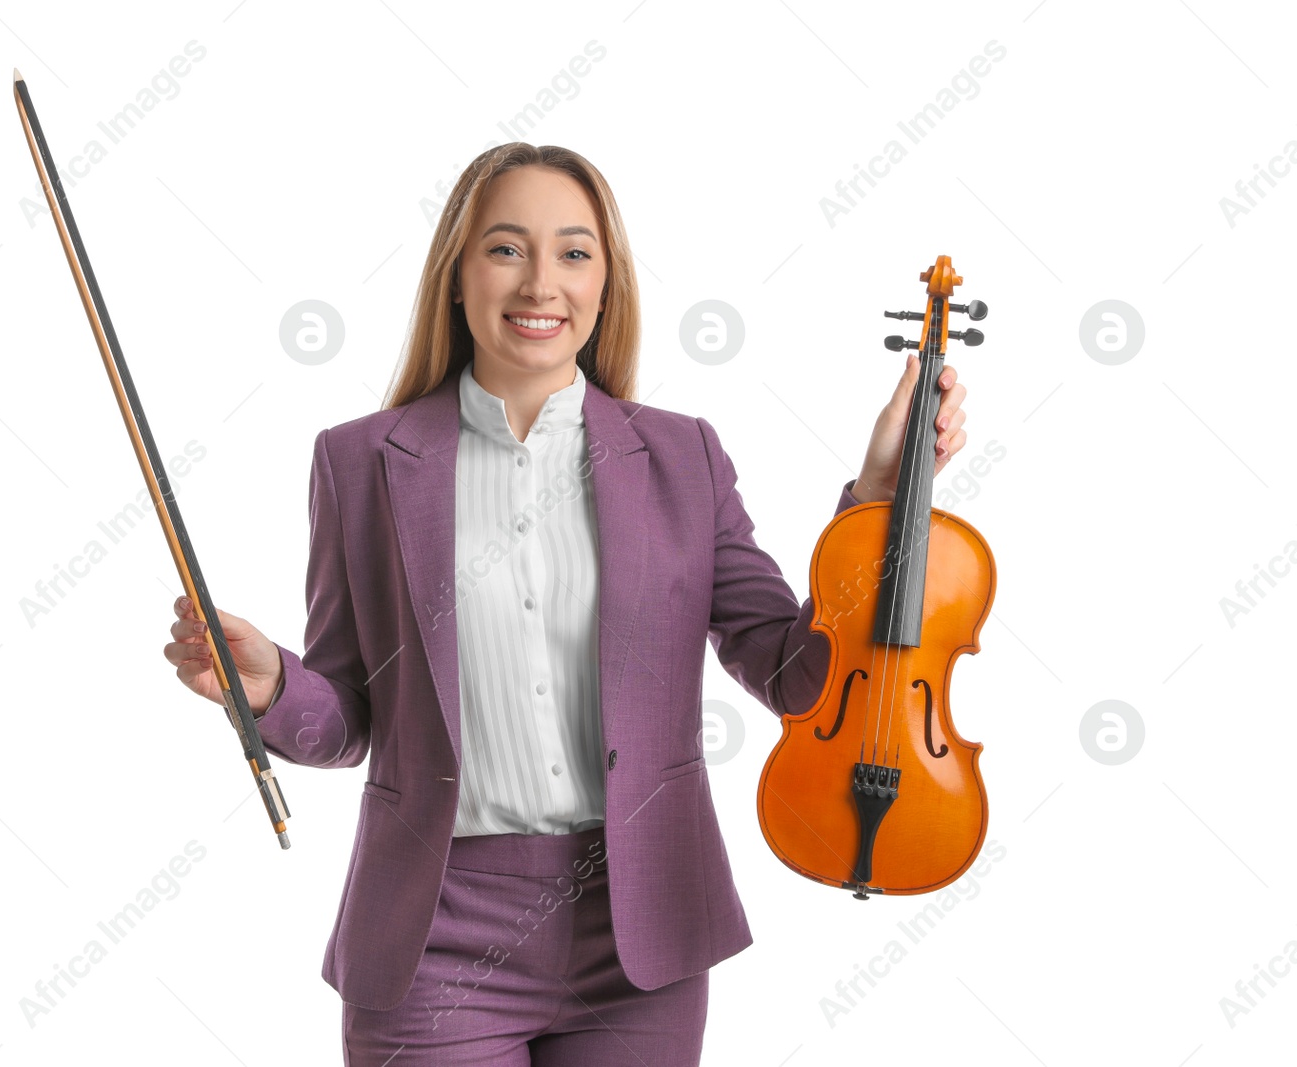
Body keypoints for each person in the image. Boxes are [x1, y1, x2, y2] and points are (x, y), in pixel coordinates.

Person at [162, 143, 968, 1065]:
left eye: (575, 253)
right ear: (457, 278)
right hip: (435, 931)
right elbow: (347, 721)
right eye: (506, 249)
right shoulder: (359, 462)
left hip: (642, 929)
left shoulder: (684, 457)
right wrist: (268, 686)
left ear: (606, 285)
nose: (541, 281)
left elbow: (798, 677)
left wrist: (876, 496)